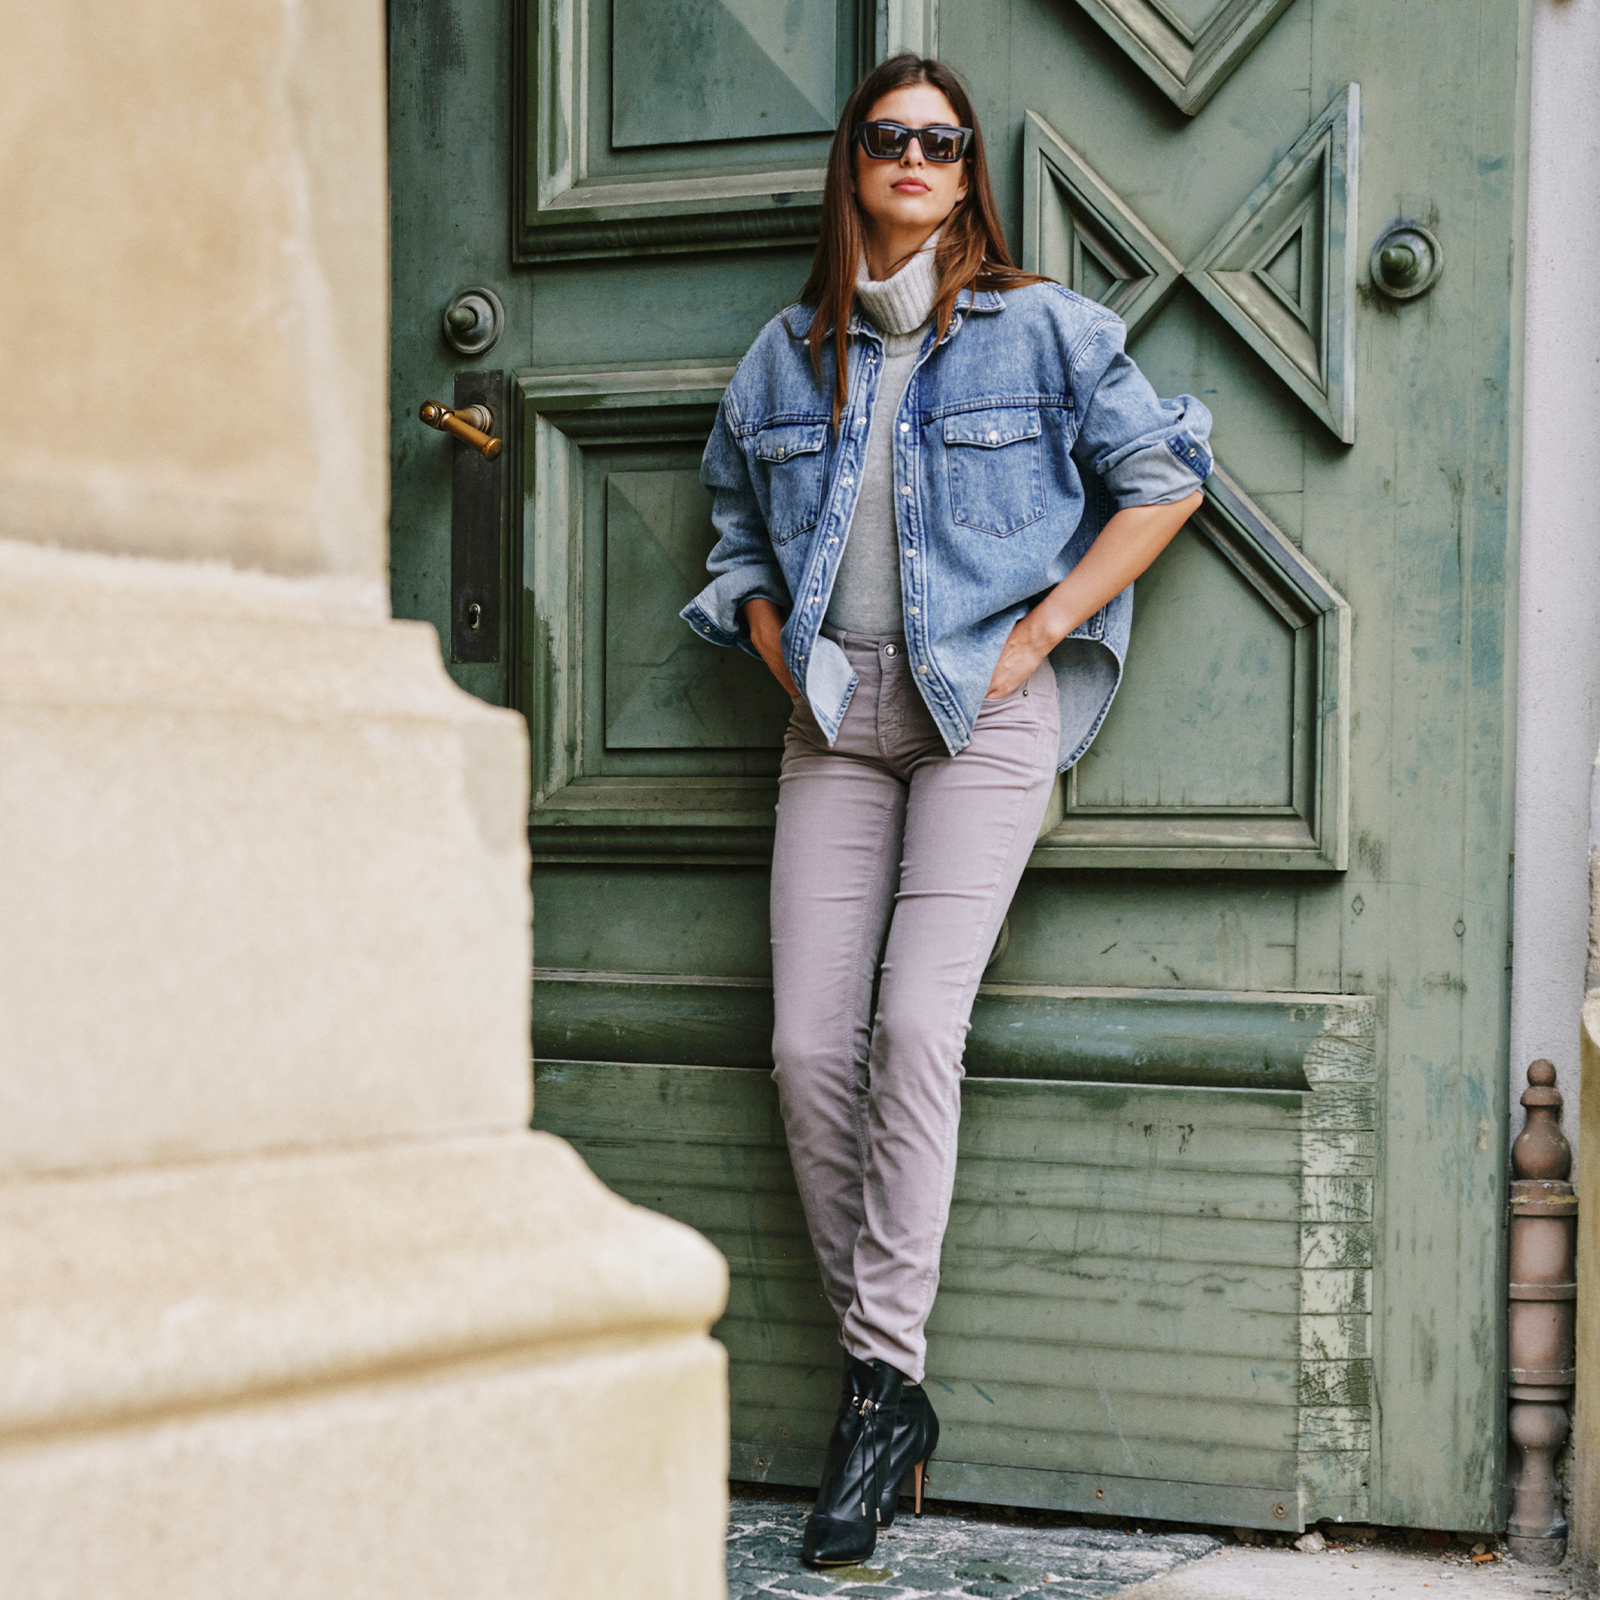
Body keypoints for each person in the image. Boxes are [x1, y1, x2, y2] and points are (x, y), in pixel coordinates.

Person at [680, 52, 1211, 1569]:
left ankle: (871, 1384)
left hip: (983, 714)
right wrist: (782, 654)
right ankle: (892, 1386)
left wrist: (1039, 638)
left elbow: (1164, 481)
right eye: (887, 137)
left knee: (916, 1026)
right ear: (851, 163)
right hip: (835, 724)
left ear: (969, 172)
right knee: (801, 1047)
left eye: (942, 140)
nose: (915, 157)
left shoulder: (1044, 332)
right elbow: (733, 543)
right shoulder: (786, 357)